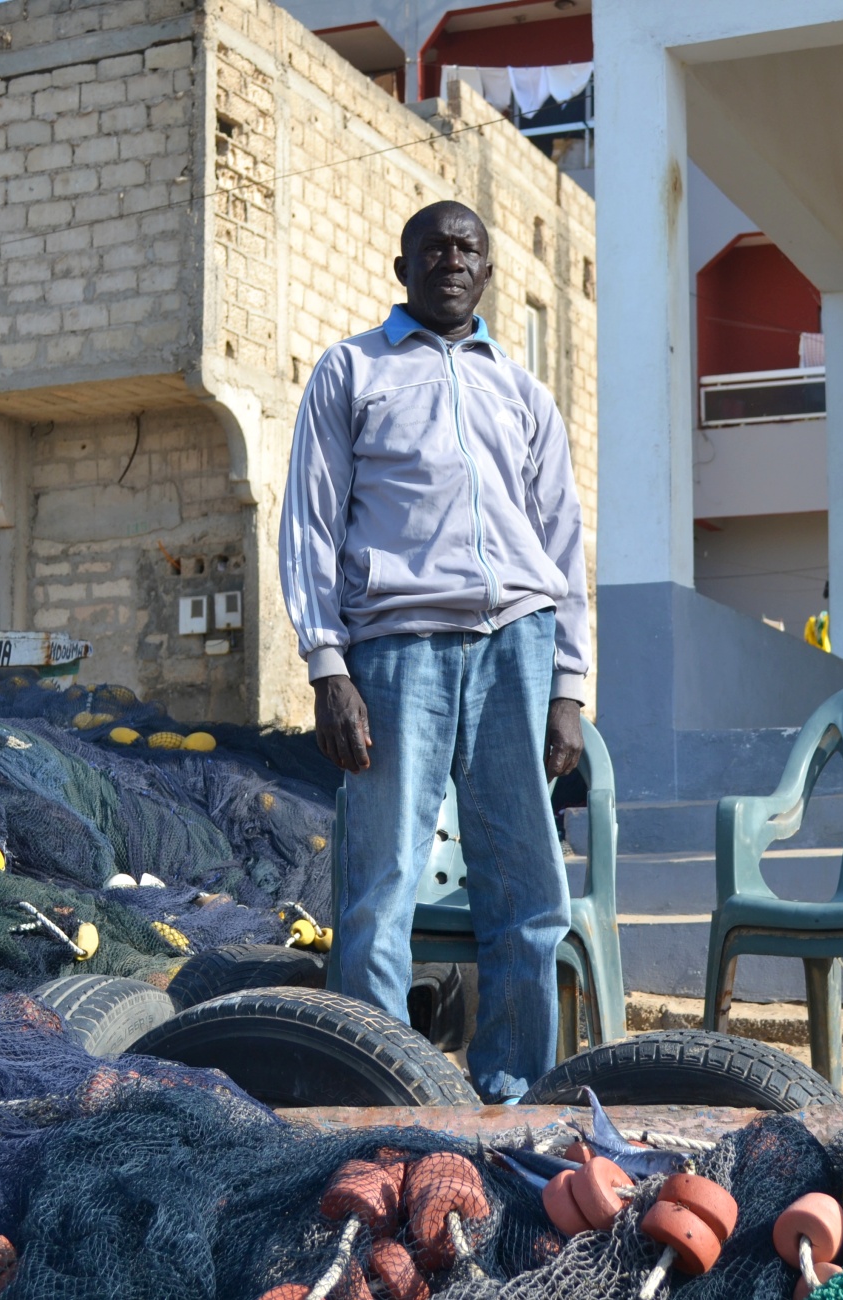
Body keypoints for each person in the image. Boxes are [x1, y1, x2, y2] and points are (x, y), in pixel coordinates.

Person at [279, 200, 589, 1102]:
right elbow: (309, 524)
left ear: (487, 273)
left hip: (516, 649)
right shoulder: (351, 371)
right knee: (380, 890)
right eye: (435, 247)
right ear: (402, 266)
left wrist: (569, 682)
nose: (452, 260)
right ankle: (375, 1089)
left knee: (529, 894)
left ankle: (512, 1090)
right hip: (396, 650)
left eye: (469, 249)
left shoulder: (523, 393)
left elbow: (563, 543)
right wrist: (328, 666)